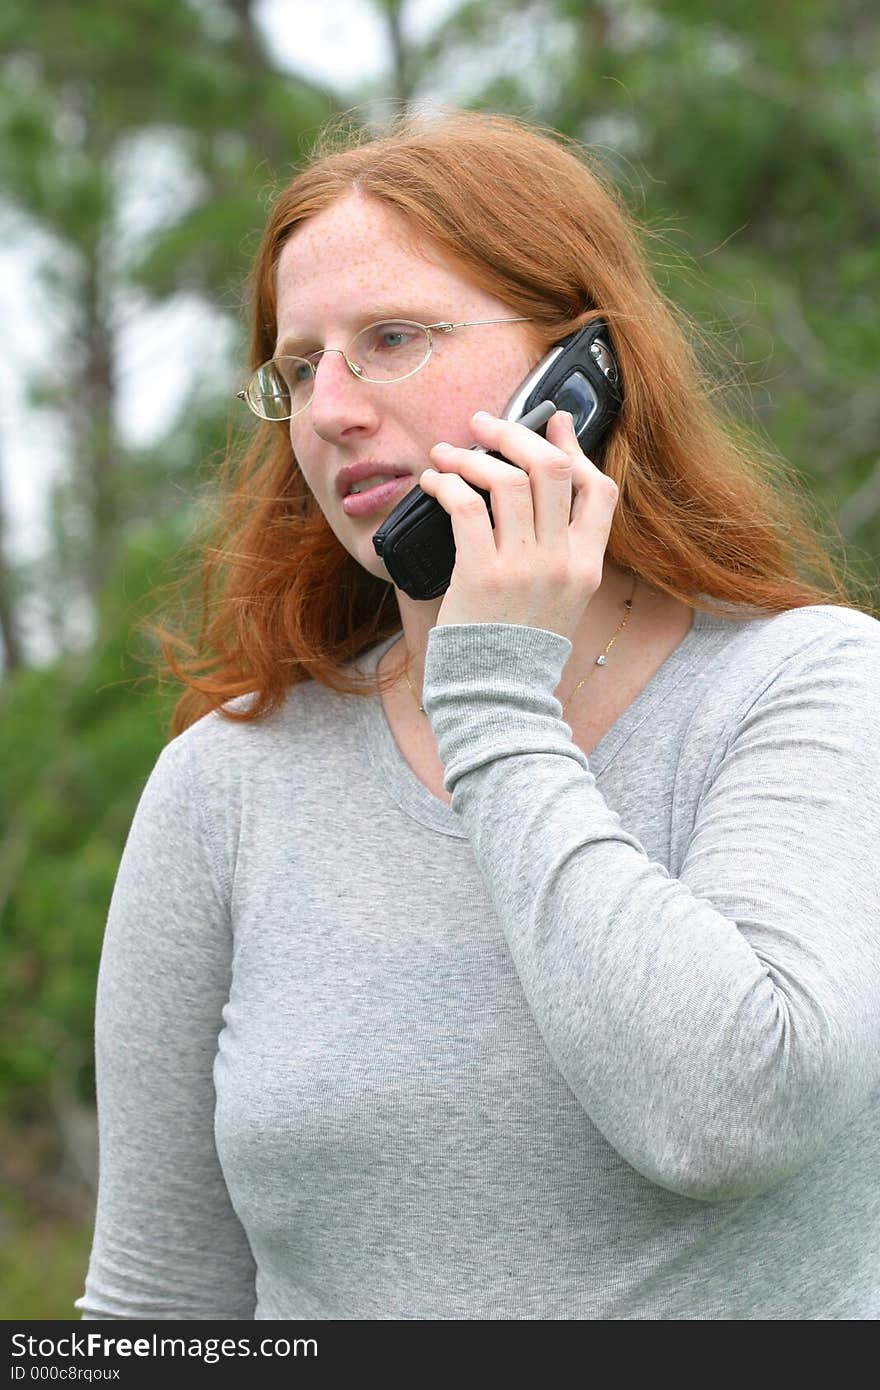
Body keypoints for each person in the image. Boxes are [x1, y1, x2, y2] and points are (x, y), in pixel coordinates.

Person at [76, 108, 880, 1321]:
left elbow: (727, 1113)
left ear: (584, 367)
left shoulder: (808, 688)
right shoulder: (224, 783)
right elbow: (152, 1303)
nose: (331, 409)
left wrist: (492, 693)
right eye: (298, 368)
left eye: (392, 338)